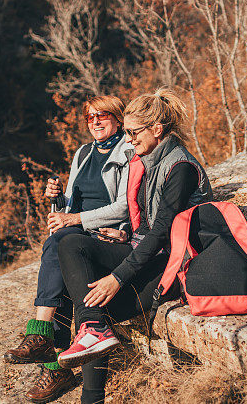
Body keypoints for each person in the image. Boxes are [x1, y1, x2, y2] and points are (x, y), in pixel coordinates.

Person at [56, 88, 213, 404]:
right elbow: (146, 225)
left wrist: (117, 277)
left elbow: (161, 235)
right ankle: (93, 331)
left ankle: (92, 394)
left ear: (156, 130)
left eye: (132, 132)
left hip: (176, 262)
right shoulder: (148, 159)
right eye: (126, 132)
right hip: (148, 249)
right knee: (72, 244)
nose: (127, 140)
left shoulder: (179, 167)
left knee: (97, 304)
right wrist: (125, 235)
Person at [3, 95, 134, 404]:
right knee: (58, 246)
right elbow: (72, 205)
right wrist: (60, 199)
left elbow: (125, 206)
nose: (96, 122)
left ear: (118, 118)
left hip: (104, 233)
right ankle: (49, 349)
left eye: (103, 115)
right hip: (77, 230)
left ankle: (46, 345)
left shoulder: (128, 151)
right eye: (90, 117)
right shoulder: (83, 153)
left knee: (58, 245)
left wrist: (74, 217)